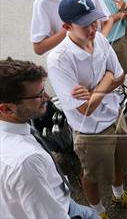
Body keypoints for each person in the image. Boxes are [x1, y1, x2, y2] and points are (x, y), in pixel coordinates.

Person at [47, 0, 127, 218]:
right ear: (67, 26)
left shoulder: (99, 39)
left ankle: (119, 195)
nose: (92, 28)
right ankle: (97, 211)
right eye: (85, 25)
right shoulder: (59, 60)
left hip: (115, 115)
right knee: (91, 175)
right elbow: (85, 109)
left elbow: (120, 76)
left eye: (94, 21)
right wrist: (106, 79)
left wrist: (94, 91)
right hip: (91, 130)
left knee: (120, 160)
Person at [0, 58, 97, 219]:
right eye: (39, 95)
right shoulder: (26, 162)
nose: (47, 97)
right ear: (7, 108)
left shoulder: (15, 126)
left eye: (43, 90)